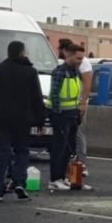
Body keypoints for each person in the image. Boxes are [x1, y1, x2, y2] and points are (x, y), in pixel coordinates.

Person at [0, 41, 45, 202]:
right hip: (22, 120)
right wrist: (40, 120)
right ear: (22, 53)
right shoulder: (30, 72)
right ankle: (19, 182)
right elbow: (37, 97)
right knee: (21, 151)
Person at [47, 43, 91, 191]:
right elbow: (54, 94)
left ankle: (64, 177)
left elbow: (76, 93)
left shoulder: (75, 72)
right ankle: (55, 179)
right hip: (61, 115)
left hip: (72, 114)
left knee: (68, 149)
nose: (80, 61)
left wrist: (79, 110)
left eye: (81, 58)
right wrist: (57, 113)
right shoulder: (60, 72)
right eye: (78, 58)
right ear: (69, 55)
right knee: (59, 148)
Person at [57, 38, 93, 179]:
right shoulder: (67, 64)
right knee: (70, 135)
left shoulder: (82, 62)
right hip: (69, 106)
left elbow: (87, 84)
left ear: (66, 51)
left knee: (78, 134)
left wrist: (82, 103)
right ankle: (69, 165)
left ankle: (81, 163)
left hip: (77, 104)